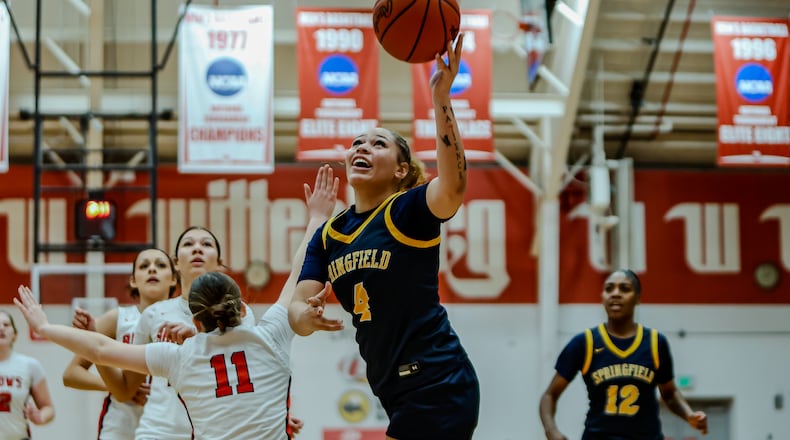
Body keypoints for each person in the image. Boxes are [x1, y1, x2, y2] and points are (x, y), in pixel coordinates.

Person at [13, 164, 343, 440]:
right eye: (188, 244)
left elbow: (100, 347)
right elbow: (296, 273)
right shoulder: (263, 333)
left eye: (206, 244)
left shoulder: (180, 354)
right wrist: (317, 219)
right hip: (162, 430)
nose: (197, 249)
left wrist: (44, 326)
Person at [288, 35, 479, 440]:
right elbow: (297, 307)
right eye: (358, 142)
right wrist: (304, 317)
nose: (363, 146)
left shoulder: (407, 211)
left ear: (400, 170)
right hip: (395, 391)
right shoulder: (329, 235)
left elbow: (454, 185)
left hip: (438, 382)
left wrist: (441, 98)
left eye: (379, 144)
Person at [539, 269, 709, 440]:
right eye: (609, 289)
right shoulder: (585, 343)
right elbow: (549, 395)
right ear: (603, 297)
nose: (615, 294)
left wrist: (689, 414)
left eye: (624, 289)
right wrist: (551, 430)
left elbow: (670, 394)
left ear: (638, 298)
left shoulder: (655, 342)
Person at [62, 248, 178, 440]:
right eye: (144, 265)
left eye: (160, 265)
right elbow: (71, 374)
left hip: (169, 421)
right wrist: (115, 387)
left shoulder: (184, 319)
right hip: (120, 421)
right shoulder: (117, 319)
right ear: (133, 280)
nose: (152, 269)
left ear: (174, 278)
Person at [0, 310, 55, 439]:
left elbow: (48, 408)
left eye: (6, 324)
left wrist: (40, 417)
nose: (1, 328)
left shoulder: (29, 366)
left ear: (15, 334)